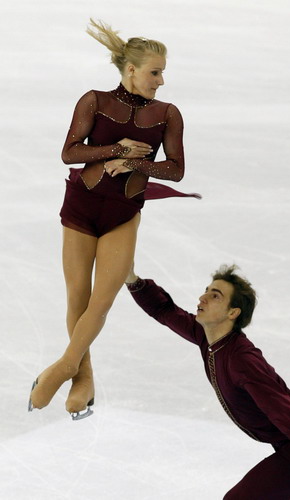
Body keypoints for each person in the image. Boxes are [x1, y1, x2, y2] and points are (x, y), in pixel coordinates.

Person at [28, 18, 194, 420]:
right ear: (132, 69)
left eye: (163, 73)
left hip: (123, 213)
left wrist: (136, 163)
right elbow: (70, 153)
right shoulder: (94, 101)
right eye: (156, 72)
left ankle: (65, 368)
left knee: (101, 302)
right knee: (78, 298)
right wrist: (113, 151)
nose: (161, 81)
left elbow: (175, 169)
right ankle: (84, 379)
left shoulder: (168, 114)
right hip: (82, 205)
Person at [125, 264, 290, 499]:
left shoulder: (242, 359)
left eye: (215, 295)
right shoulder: (208, 338)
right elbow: (165, 310)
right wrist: (132, 279)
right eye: (206, 290)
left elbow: (277, 404)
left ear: (233, 312)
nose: (202, 297)